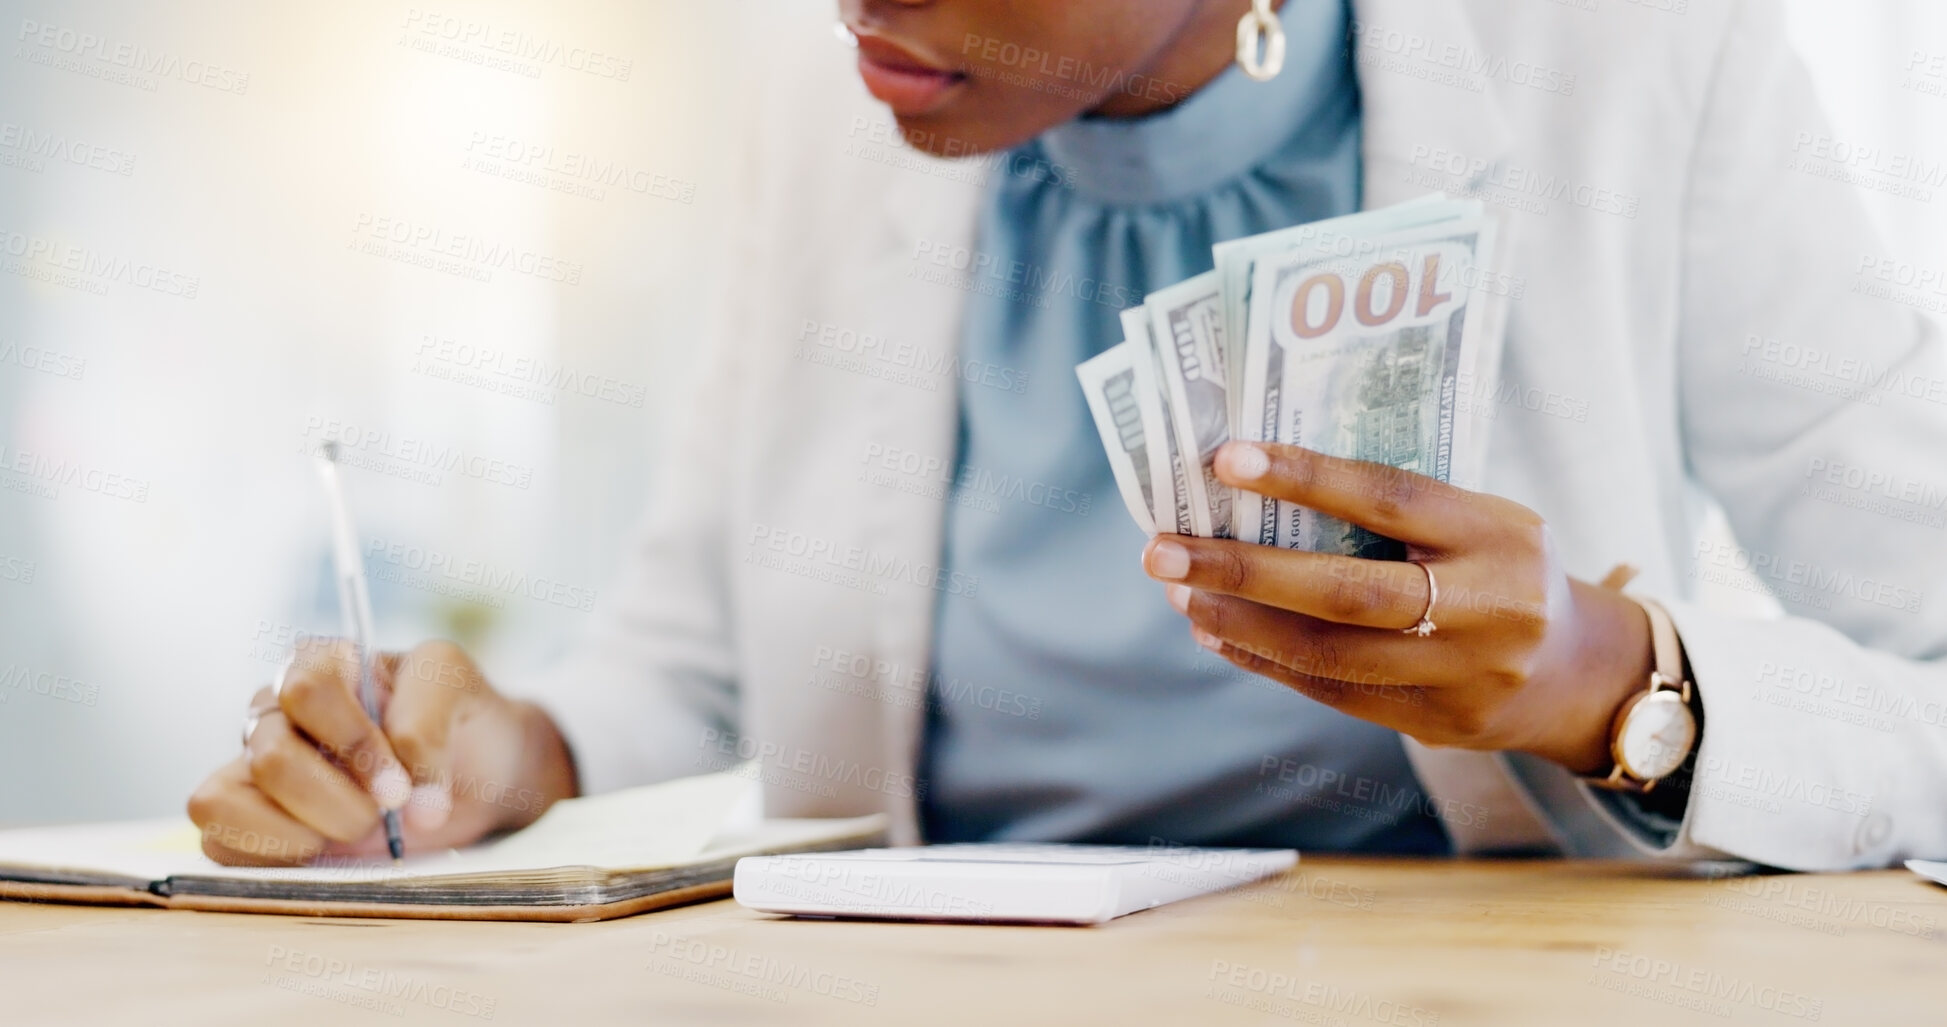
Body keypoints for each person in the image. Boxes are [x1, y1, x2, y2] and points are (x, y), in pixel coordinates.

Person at [190, 0, 1947, 870]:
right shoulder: (838, 103)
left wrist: (1615, 684)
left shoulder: (1644, 53)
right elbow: (699, 661)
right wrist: (517, 751)